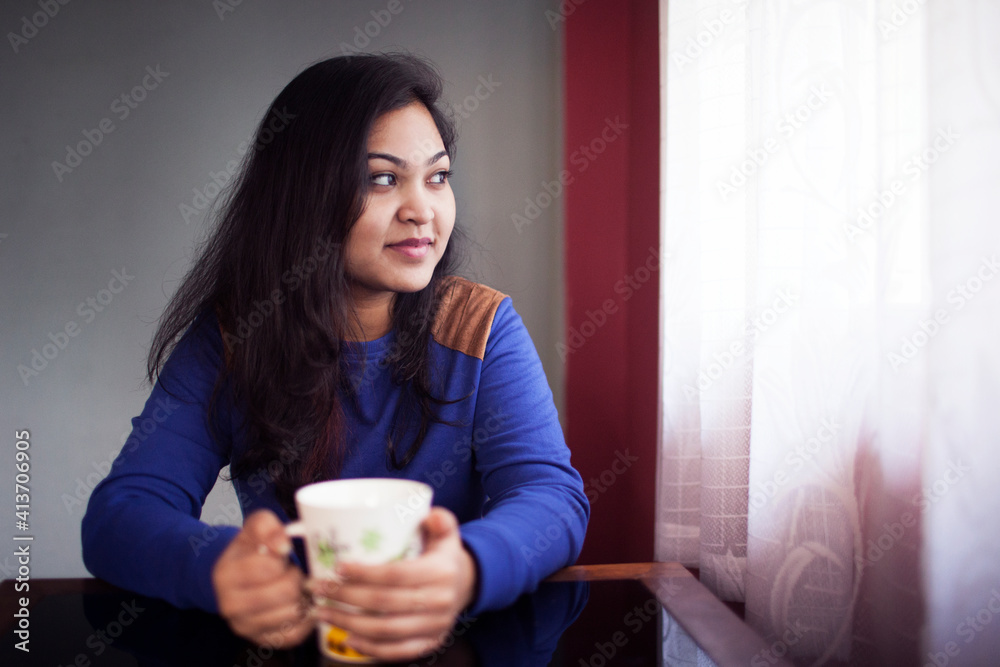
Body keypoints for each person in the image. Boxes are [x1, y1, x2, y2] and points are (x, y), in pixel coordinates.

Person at [81, 53, 589, 662]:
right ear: (304, 192)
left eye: (437, 176)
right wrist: (218, 569)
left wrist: (467, 570)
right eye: (381, 178)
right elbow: (119, 516)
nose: (422, 210)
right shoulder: (235, 337)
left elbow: (550, 497)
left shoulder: (479, 326)